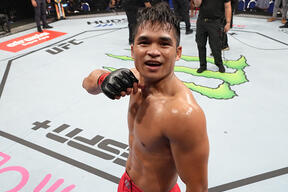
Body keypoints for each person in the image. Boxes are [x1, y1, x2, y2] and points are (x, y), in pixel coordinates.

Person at [82, 2, 209, 192]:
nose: (153, 51)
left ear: (178, 53)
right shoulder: (134, 78)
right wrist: (104, 79)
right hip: (126, 182)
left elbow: (197, 187)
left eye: (164, 43)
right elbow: (88, 83)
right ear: (133, 49)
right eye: (144, 42)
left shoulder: (183, 114)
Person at [194, 0, 231, 73]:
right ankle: (202, 65)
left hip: (215, 22)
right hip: (201, 21)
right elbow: (197, 5)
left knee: (215, 45)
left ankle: (219, 64)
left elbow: (227, 6)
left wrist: (228, 22)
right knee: (200, 44)